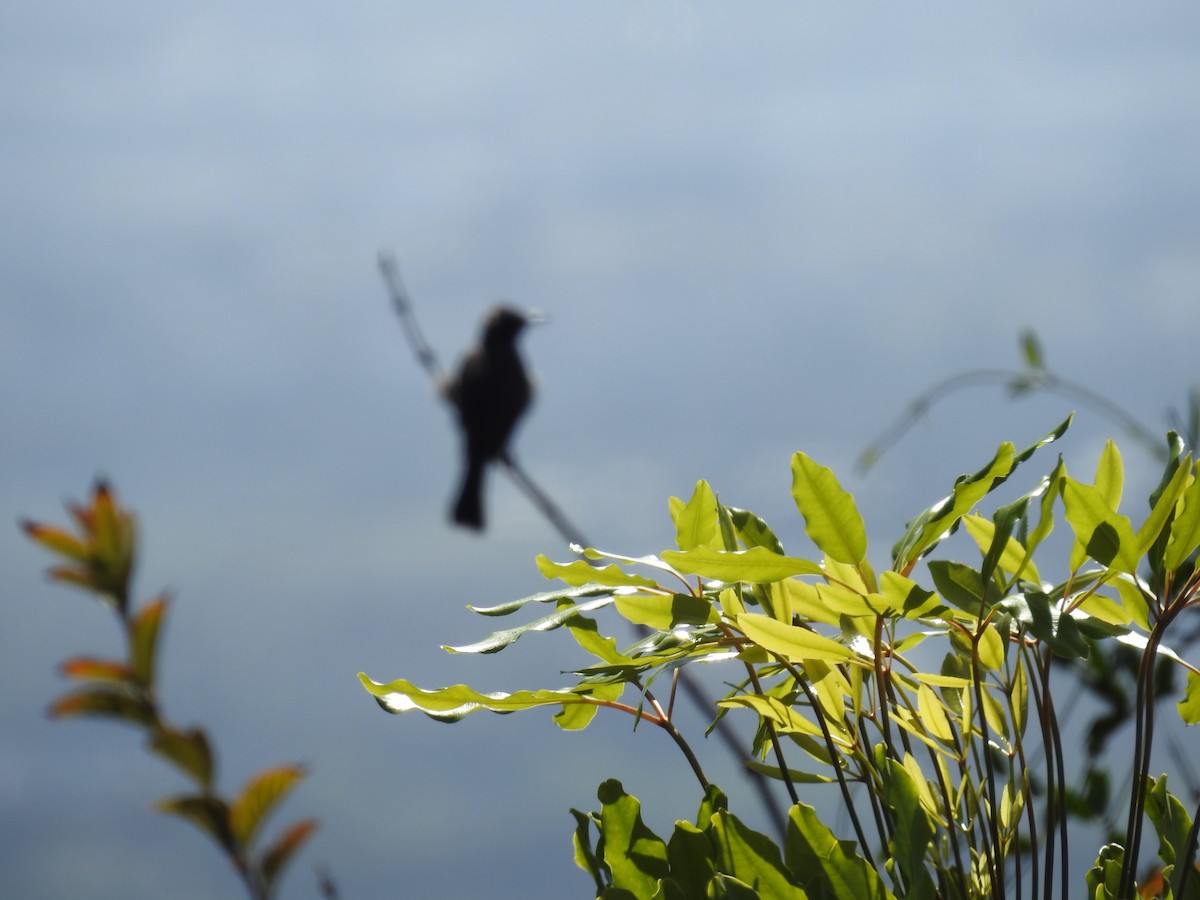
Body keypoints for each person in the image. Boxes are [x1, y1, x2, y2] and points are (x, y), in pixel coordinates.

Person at [446, 307, 537, 529]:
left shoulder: (472, 361)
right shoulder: (512, 370)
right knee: (475, 468)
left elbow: (456, 396)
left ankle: (467, 511)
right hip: (491, 439)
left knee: (474, 468)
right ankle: (469, 511)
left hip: (479, 438)